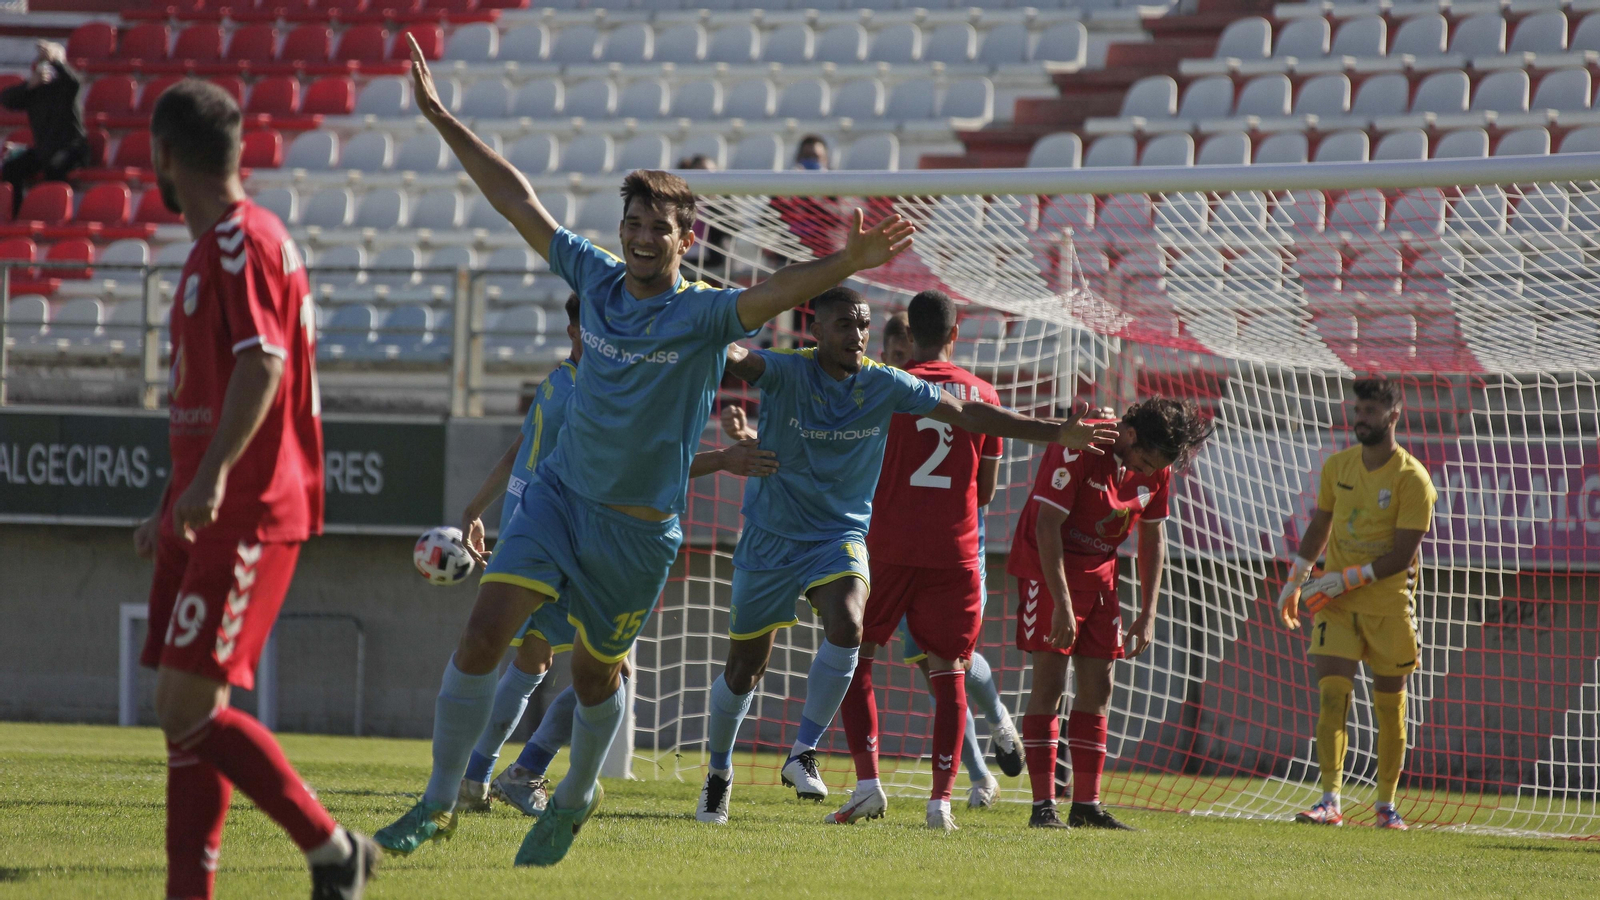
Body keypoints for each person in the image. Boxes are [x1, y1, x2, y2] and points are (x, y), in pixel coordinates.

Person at [377, 36, 915, 868]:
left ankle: (578, 791)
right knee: (486, 631)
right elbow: (517, 202)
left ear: (683, 236)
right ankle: (440, 802)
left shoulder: (701, 315)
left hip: (635, 534)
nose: (638, 237)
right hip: (558, 501)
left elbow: (776, 293)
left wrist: (847, 262)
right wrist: (442, 118)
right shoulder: (591, 277)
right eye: (630, 223)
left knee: (596, 678)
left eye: (656, 227)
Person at [694, 286, 1116, 830]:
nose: (858, 335)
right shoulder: (784, 369)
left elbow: (969, 413)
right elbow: (732, 355)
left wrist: (1058, 432)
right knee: (743, 669)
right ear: (815, 331)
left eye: (864, 325)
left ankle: (805, 751)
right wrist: (704, 318)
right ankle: (720, 771)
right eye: (845, 325)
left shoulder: (883, 380)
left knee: (851, 626)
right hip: (772, 537)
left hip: (839, 537)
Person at [132, 79, 376, 900]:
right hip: (206, 505)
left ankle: (334, 848)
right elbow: (207, 395)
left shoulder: (243, 242)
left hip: (251, 505)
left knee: (186, 703)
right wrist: (173, 499)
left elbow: (262, 364)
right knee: (181, 718)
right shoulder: (217, 248)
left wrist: (209, 482)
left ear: (165, 155)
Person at [452, 297, 776, 816]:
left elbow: (524, 445)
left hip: (540, 528)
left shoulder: (560, 378)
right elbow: (643, 469)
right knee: (602, 667)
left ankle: (479, 776)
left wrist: (476, 507)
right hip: (564, 533)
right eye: (593, 327)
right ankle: (511, 772)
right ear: (577, 330)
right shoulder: (590, 393)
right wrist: (723, 459)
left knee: (534, 656)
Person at [829, 289, 1023, 830]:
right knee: (950, 671)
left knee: (856, 657)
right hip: (954, 551)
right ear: (956, 336)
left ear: (908, 336)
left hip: (887, 546)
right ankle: (941, 803)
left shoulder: (881, 387)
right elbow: (985, 493)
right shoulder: (982, 392)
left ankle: (868, 784)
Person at [1007, 397, 1213, 829]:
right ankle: (1043, 806)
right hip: (1049, 570)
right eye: (1144, 461)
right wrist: (1061, 601)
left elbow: (1153, 538)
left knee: (1100, 687)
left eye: (1154, 467)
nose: (1145, 473)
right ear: (1131, 435)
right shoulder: (1083, 440)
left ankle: (1086, 807)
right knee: (1049, 683)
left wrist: (1150, 611)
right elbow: (1046, 525)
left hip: (1101, 577)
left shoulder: (1157, 468)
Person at [1277, 377, 1435, 831]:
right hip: (1338, 606)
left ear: (1394, 416)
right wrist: (1296, 581)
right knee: (1331, 696)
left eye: (1369, 411)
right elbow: (1319, 524)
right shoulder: (1338, 467)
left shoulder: (1413, 479)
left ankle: (1386, 806)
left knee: (1390, 707)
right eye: (1357, 409)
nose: (1359, 418)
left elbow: (1402, 557)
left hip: (1387, 607)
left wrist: (1343, 579)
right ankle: (1330, 801)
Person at [0, 41, 87, 218]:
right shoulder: (34, 91)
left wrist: (57, 59)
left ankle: (54, 217)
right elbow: (7, 99)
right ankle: (15, 215)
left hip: (71, 148)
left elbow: (74, 81)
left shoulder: (65, 87)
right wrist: (30, 84)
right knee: (11, 168)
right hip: (45, 148)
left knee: (55, 166)